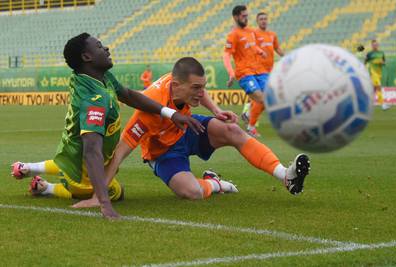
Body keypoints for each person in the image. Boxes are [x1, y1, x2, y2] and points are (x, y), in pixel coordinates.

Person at [72, 57, 310, 209]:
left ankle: (286, 177)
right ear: (176, 86)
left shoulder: (182, 85)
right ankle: (215, 183)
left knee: (232, 130)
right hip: (163, 153)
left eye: (202, 87)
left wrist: (216, 110)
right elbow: (121, 152)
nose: (200, 92)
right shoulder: (147, 111)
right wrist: (100, 196)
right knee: (191, 192)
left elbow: (200, 92)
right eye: (195, 88)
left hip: (186, 128)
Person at [11, 33, 203, 219]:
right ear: (87, 57)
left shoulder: (99, 77)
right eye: (99, 46)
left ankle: (32, 170)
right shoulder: (94, 98)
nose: (107, 48)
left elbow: (129, 95)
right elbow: (92, 150)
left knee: (104, 174)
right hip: (81, 172)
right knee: (116, 192)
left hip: (71, 156)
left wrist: (171, 113)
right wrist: (103, 202)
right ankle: (48, 188)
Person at [223, 5, 268, 138]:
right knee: (262, 98)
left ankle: (248, 115)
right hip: (244, 74)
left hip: (258, 71)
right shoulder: (233, 35)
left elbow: (252, 45)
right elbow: (226, 55)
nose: (246, 18)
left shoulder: (250, 31)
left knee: (270, 98)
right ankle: (249, 122)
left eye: (247, 16)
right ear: (236, 17)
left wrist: (260, 51)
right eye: (243, 16)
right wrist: (231, 73)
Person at [365, 39, 389, 110]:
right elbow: (365, 62)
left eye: (376, 44)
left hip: (379, 73)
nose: (375, 46)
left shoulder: (381, 53)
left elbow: (384, 61)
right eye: (373, 44)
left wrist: (383, 63)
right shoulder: (369, 54)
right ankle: (382, 104)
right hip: (373, 73)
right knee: (378, 87)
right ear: (372, 45)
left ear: (378, 45)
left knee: (374, 89)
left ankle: (367, 103)